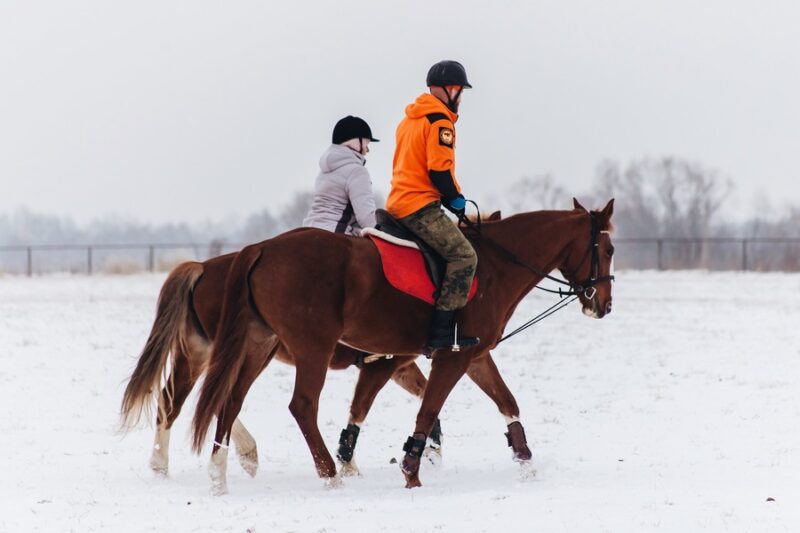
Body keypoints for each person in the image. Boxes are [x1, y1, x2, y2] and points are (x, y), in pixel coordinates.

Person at [385, 60, 478, 351]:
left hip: (397, 203)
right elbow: (439, 171)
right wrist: (456, 201)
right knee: (464, 256)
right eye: (459, 91)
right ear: (448, 90)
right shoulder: (440, 122)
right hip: (419, 206)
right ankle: (441, 335)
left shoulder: (409, 120)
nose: (460, 98)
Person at [302, 116, 379, 236]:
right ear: (354, 142)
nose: (367, 150)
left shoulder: (324, 170)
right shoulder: (357, 171)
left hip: (308, 229)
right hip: (334, 233)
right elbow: (367, 220)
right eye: (366, 144)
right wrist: (387, 229)